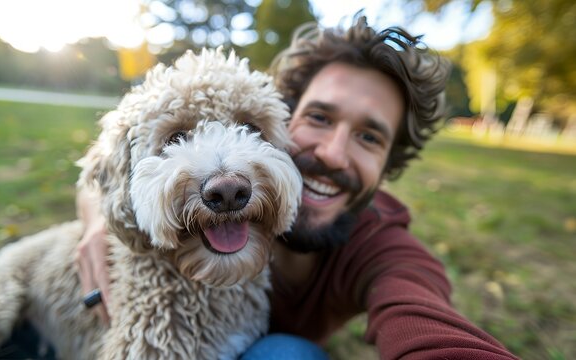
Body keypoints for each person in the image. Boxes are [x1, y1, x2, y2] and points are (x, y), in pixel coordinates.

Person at [76, 14, 518, 359]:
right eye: (320, 118)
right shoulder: (209, 190)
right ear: (286, 119)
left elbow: (428, 323)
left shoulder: (381, 250)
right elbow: (113, 174)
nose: (333, 154)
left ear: (387, 167)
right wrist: (97, 218)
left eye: (369, 137)